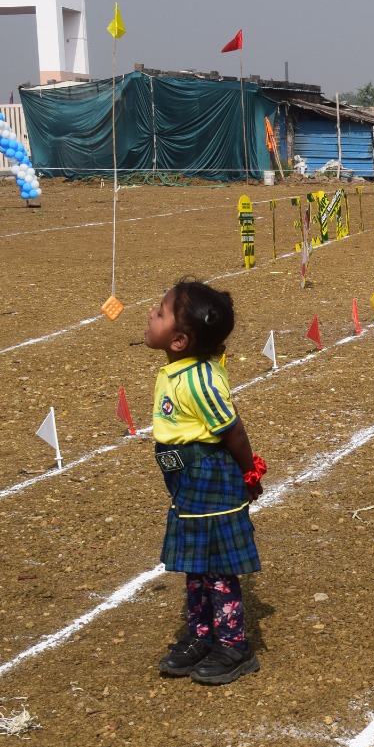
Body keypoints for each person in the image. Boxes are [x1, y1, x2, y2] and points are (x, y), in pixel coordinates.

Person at [145, 279, 267, 686]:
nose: (151, 313)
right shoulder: (177, 367)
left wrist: (250, 474)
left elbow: (233, 431)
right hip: (185, 478)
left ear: (180, 340)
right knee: (196, 566)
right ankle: (201, 635)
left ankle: (234, 645)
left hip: (209, 475)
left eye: (160, 313)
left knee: (216, 567)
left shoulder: (199, 382)